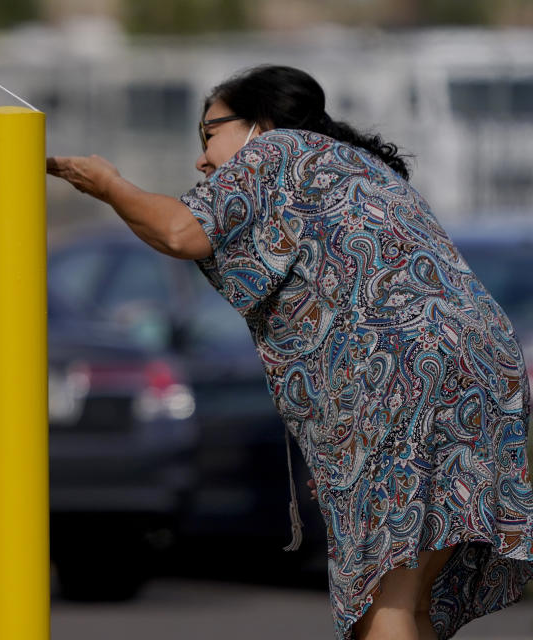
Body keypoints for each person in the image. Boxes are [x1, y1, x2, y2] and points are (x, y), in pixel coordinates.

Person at [46, 65, 533, 640]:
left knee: (382, 606)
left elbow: (180, 232)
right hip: (483, 373)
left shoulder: (274, 150)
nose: (202, 160)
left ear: (260, 123)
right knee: (409, 601)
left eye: (209, 135)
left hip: (398, 377)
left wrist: (108, 185)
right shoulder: (356, 167)